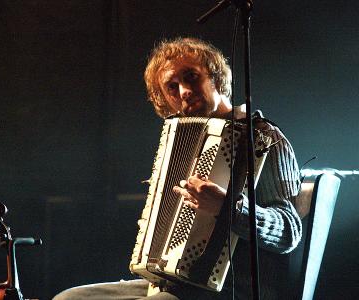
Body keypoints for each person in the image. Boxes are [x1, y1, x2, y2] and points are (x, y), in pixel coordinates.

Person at [54, 37, 302, 300]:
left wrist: (229, 208)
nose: (184, 91)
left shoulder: (263, 137)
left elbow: (289, 232)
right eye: (172, 87)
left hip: (231, 288)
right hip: (174, 283)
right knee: (68, 299)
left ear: (216, 77)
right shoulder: (179, 140)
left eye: (191, 77)